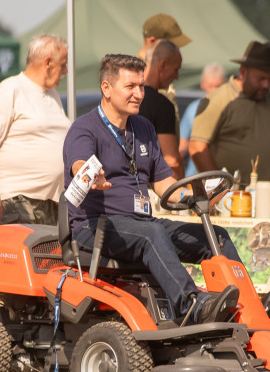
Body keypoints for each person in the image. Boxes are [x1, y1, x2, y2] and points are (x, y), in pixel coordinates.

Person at [63, 53, 242, 324]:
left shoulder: (143, 127)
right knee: (152, 232)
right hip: (95, 227)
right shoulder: (85, 129)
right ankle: (193, 306)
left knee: (216, 236)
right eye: (130, 87)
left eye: (141, 86)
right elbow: (79, 163)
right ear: (107, 89)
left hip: (141, 224)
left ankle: (244, 307)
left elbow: (164, 185)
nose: (138, 94)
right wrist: (89, 175)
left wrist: (198, 196)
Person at [0, 34, 70, 226]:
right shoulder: (11, 88)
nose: (65, 70)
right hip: (19, 203)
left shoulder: (53, 95)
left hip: (53, 204)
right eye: (63, 64)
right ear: (48, 62)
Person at [189, 41, 270, 184]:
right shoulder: (218, 100)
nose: (266, 84)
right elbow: (197, 148)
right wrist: (219, 186)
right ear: (242, 72)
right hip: (231, 198)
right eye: (261, 78)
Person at [139, 39, 185, 179]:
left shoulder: (125, 99)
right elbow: (172, 161)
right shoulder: (162, 105)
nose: (176, 77)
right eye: (176, 70)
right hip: (154, 189)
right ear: (163, 65)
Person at [179, 62, 226, 176]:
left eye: (218, 86)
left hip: (225, 176)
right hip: (195, 179)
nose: (214, 90)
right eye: (211, 86)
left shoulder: (231, 108)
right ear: (202, 84)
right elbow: (181, 148)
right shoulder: (192, 109)